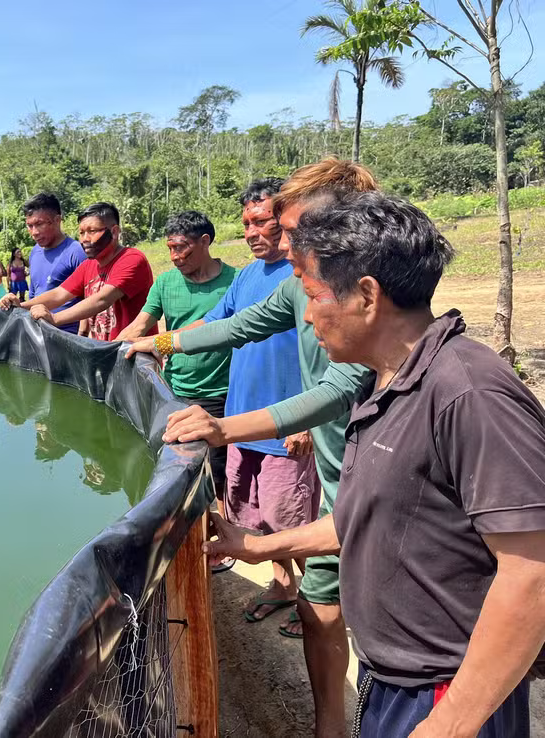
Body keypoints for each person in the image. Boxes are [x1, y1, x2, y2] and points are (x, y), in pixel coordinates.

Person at [209, 191, 545, 737]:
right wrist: (259, 546)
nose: (308, 316)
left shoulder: (468, 392)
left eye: (313, 296)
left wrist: (450, 723)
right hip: (392, 678)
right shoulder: (384, 384)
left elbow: (533, 573)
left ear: (367, 295)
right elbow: (368, 517)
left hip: (442, 692)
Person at [127, 157, 377, 738]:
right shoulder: (294, 286)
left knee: (377, 619)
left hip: (363, 472)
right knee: (320, 605)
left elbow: (338, 386)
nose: (279, 242)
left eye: (289, 229)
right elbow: (239, 325)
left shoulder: (357, 295)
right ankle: (331, 725)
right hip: (338, 478)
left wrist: (224, 429)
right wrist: (158, 342)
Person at [204, 179, 317, 636]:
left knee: (295, 521)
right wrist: (158, 344)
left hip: (288, 426)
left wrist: (308, 422)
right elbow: (215, 324)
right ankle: (283, 585)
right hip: (241, 422)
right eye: (246, 223)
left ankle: (320, 602)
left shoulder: (305, 274)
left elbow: (328, 358)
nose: (251, 232)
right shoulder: (248, 276)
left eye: (261, 221)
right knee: (260, 517)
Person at [114, 209, 236, 514]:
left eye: (181, 248)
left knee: (217, 475)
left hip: (220, 394)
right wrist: (110, 350)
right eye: (169, 248)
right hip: (173, 392)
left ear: (205, 241)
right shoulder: (166, 282)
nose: (174, 257)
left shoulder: (234, 282)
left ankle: (221, 531)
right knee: (177, 472)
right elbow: (139, 326)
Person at [0, 202, 153, 341]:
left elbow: (102, 299)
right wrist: (20, 306)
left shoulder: (131, 259)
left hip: (133, 355)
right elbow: (59, 294)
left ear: (114, 232)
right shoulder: (89, 265)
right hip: (106, 352)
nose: (85, 239)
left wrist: (54, 318)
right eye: (81, 233)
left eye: (92, 231)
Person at [0, 193, 86, 333]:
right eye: (29, 226)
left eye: (39, 224)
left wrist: (82, 334)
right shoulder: (35, 252)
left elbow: (90, 298)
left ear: (57, 220)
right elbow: (34, 294)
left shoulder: (76, 252)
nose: (34, 232)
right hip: (37, 332)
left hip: (67, 334)